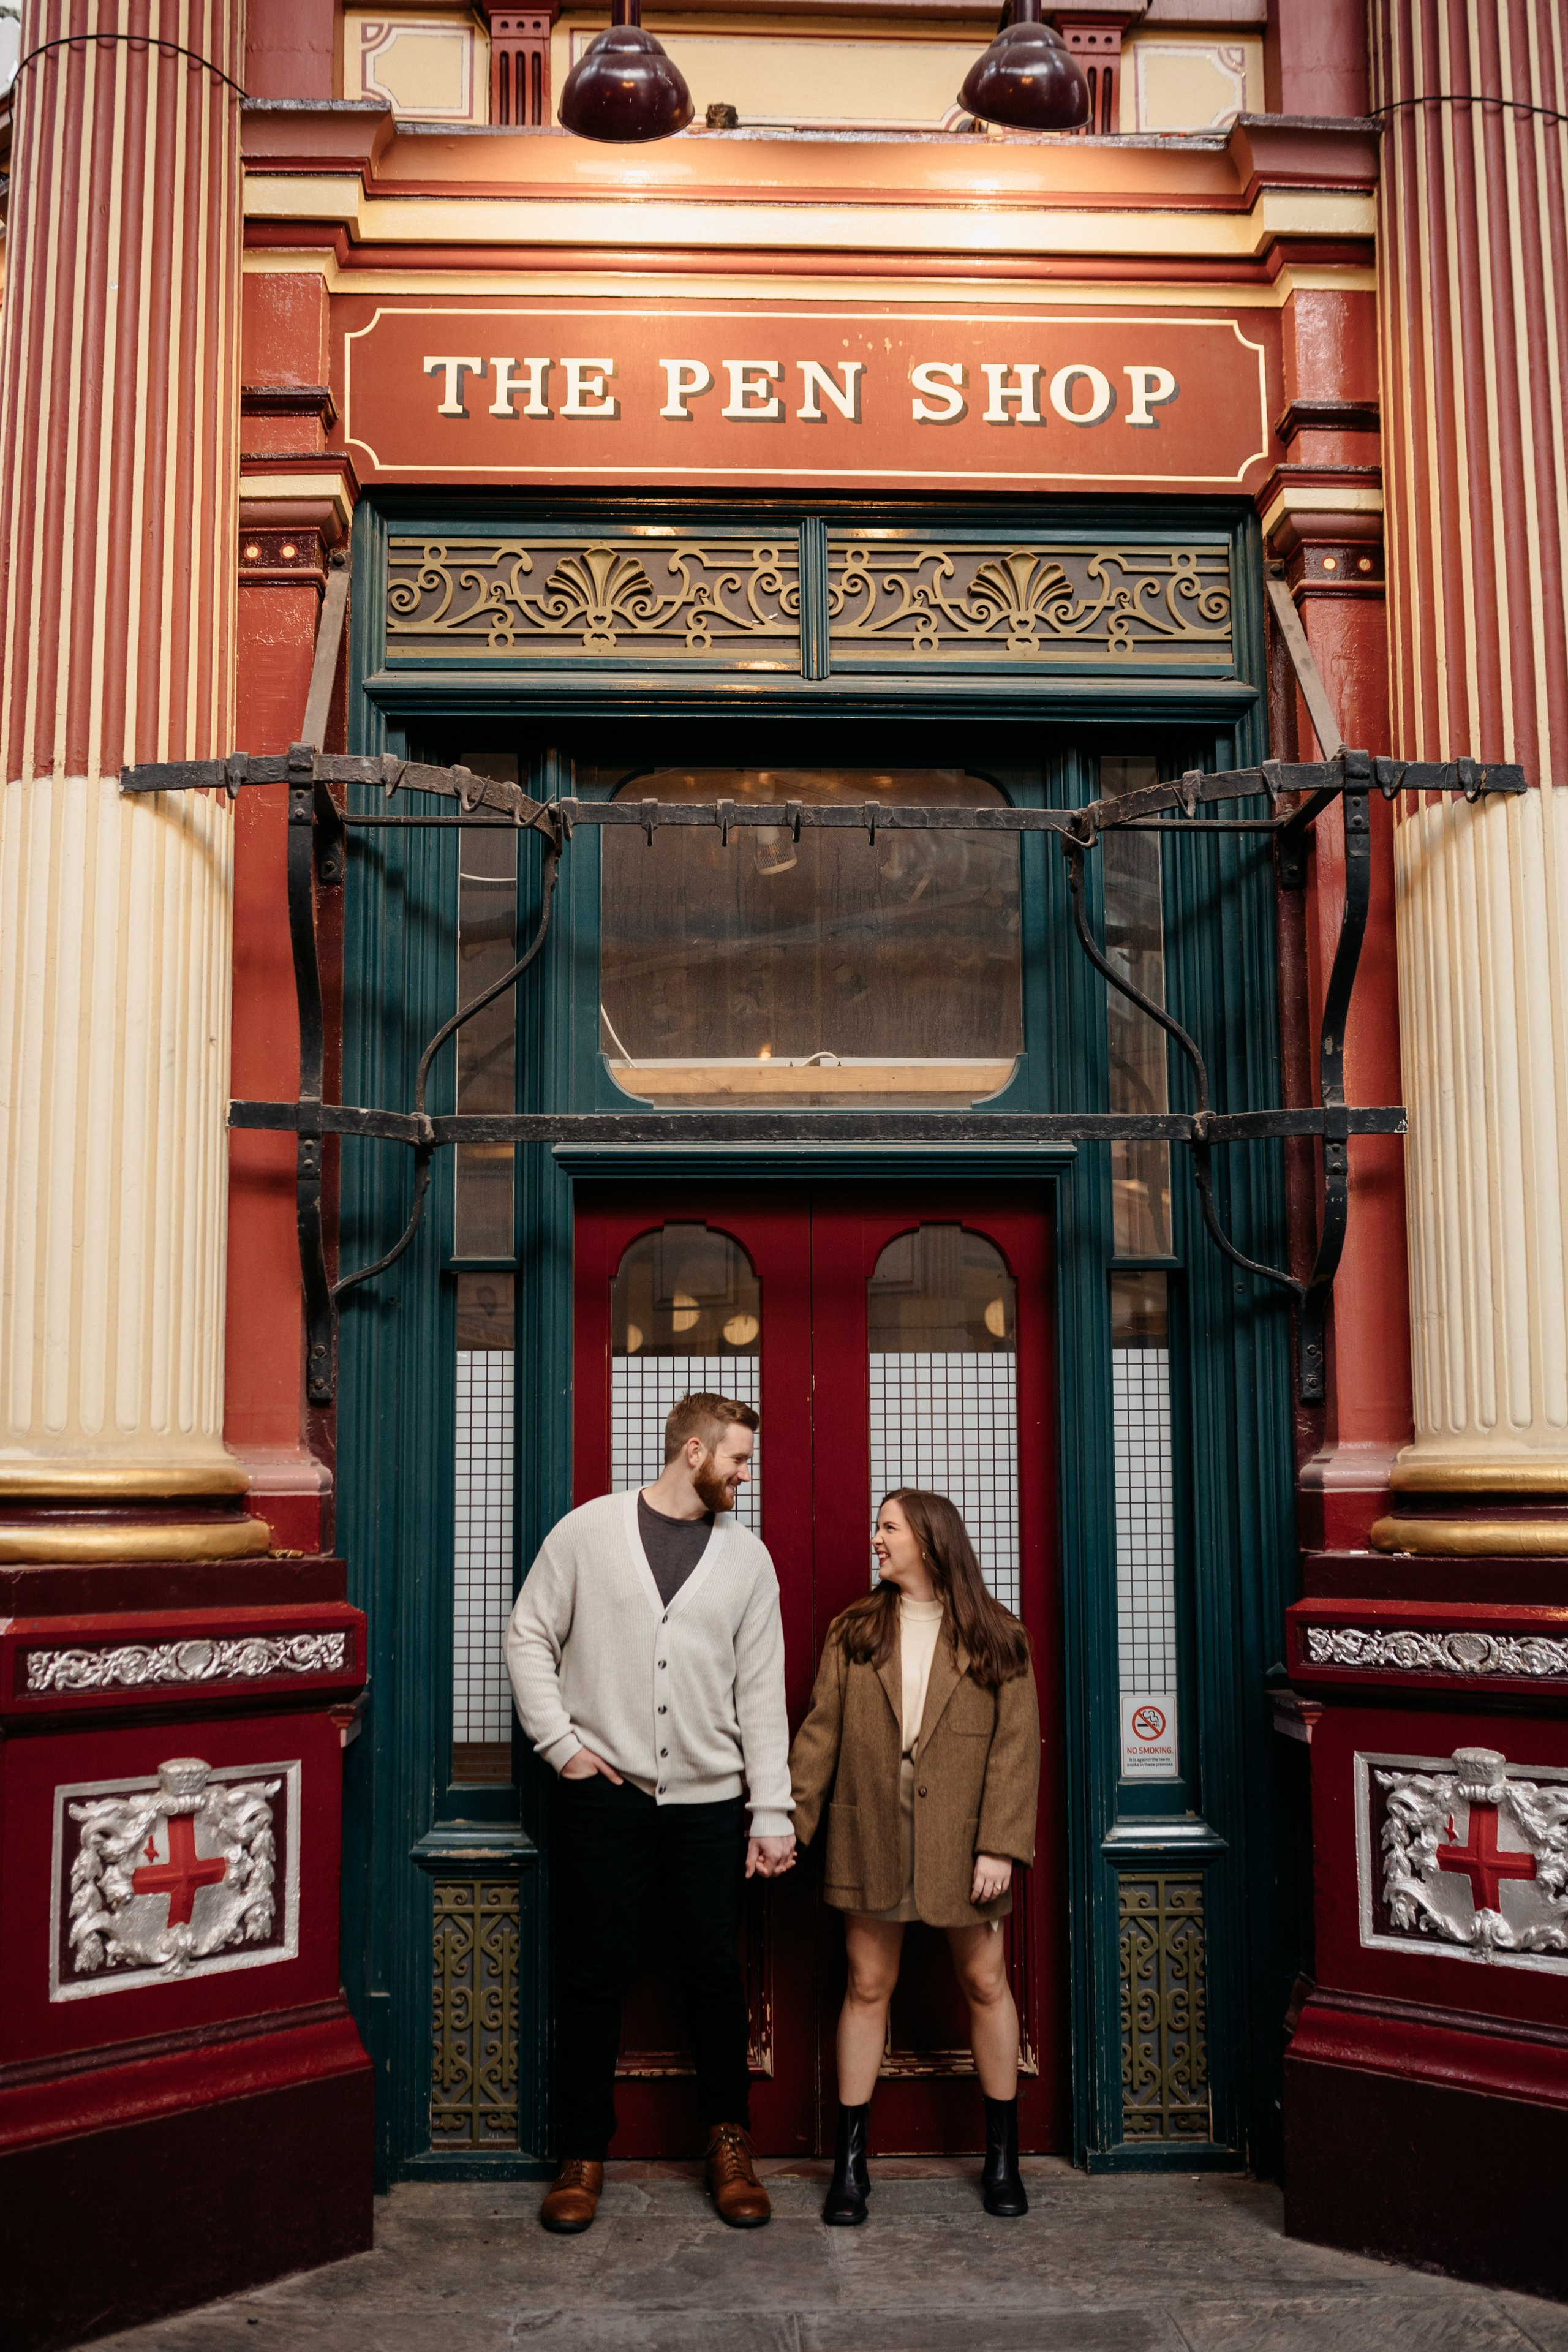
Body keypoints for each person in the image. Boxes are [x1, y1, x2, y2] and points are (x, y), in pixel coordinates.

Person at [507, 1391, 796, 2234]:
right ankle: (582, 2153)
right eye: (738, 1460)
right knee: (595, 1972)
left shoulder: (748, 1561)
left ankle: (728, 2143)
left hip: (710, 1804)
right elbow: (529, 1635)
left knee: (713, 1975)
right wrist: (561, 1745)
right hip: (605, 1799)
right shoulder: (587, 1533)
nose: (745, 1476)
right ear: (694, 1452)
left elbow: (762, 1692)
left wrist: (771, 1810)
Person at [790, 1487, 1039, 2226]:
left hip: (965, 1844)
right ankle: (850, 2167)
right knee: (867, 1985)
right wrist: (788, 1827)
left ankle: (1002, 2160)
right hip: (870, 1832)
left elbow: (1015, 1751)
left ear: (928, 1542)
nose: (876, 1539)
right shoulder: (854, 1630)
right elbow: (820, 1734)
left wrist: (999, 1846)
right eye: (878, 1527)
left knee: (985, 1983)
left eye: (888, 1527)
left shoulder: (1000, 1635)